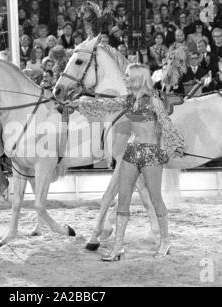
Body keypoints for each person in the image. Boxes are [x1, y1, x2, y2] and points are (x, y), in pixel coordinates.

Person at [74, 64, 185, 261]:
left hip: (151, 153)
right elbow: (104, 105)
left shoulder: (153, 101)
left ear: (136, 78)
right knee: (123, 199)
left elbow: (166, 124)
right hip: (132, 152)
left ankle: (165, 241)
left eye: (127, 76)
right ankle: (118, 247)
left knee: (155, 199)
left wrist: (176, 144)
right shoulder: (128, 100)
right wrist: (79, 104)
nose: (124, 78)